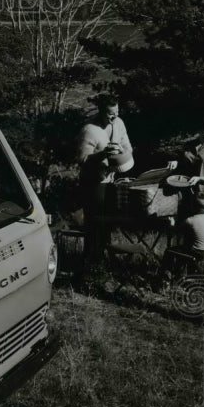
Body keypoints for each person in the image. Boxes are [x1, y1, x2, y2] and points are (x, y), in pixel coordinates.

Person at [75, 94, 132, 275]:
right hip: (93, 183)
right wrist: (103, 154)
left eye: (116, 112)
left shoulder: (119, 123)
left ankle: (102, 264)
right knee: (94, 224)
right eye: (110, 114)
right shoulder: (89, 129)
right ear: (100, 111)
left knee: (107, 225)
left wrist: (123, 152)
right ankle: (89, 266)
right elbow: (82, 159)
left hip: (111, 181)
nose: (114, 117)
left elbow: (128, 147)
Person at [156, 191, 204, 289]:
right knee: (183, 248)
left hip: (196, 253)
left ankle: (165, 280)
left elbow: (176, 231)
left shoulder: (191, 220)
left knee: (169, 251)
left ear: (193, 205)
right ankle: (178, 275)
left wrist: (172, 223)